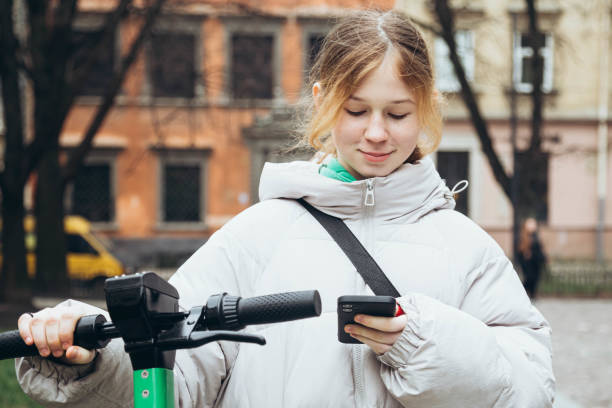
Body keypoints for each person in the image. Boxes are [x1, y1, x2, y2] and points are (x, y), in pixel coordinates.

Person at [15, 10, 555, 407]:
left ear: (427, 111)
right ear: (322, 102)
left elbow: (531, 387)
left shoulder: (465, 248)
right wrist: (90, 356)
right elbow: (175, 379)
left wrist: (426, 342)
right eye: (356, 109)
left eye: (397, 113)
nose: (375, 132)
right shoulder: (256, 235)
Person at [517, 217, 547, 300]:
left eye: (533, 224)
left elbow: (539, 250)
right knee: (529, 279)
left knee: (535, 280)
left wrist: (543, 258)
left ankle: (533, 295)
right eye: (530, 224)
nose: (532, 226)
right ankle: (522, 294)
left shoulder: (536, 237)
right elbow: (520, 252)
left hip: (535, 264)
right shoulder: (523, 237)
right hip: (528, 265)